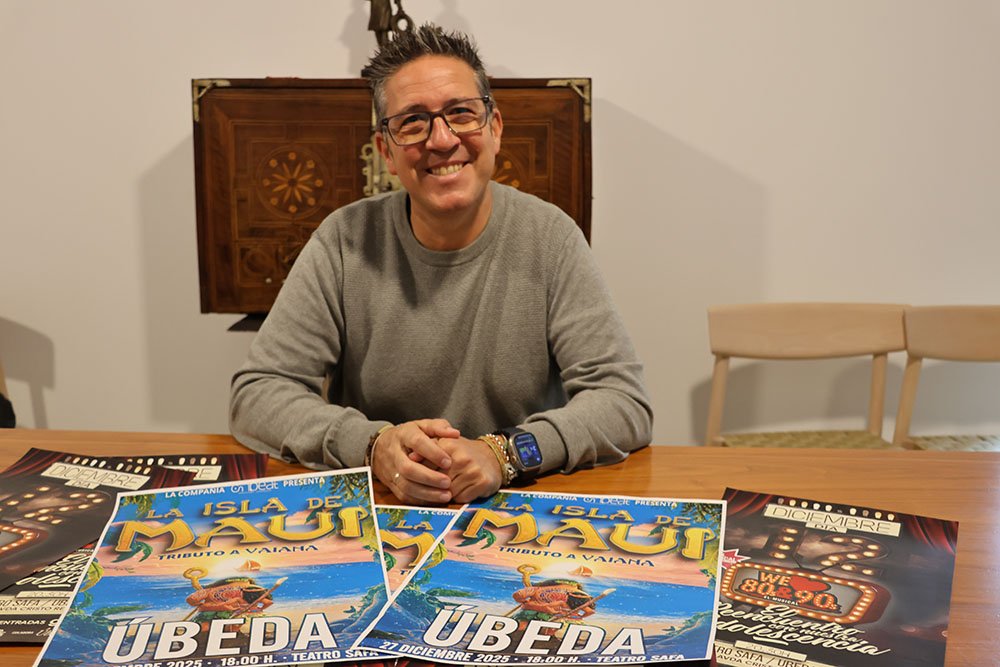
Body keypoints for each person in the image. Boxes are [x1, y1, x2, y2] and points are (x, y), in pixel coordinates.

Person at [230, 24, 652, 505]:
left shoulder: (551, 238)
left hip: (518, 506)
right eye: (413, 122)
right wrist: (373, 446)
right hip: (384, 506)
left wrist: (505, 453)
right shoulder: (344, 241)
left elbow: (623, 401)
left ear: (494, 128)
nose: (442, 139)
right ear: (386, 151)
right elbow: (258, 394)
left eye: (461, 113)